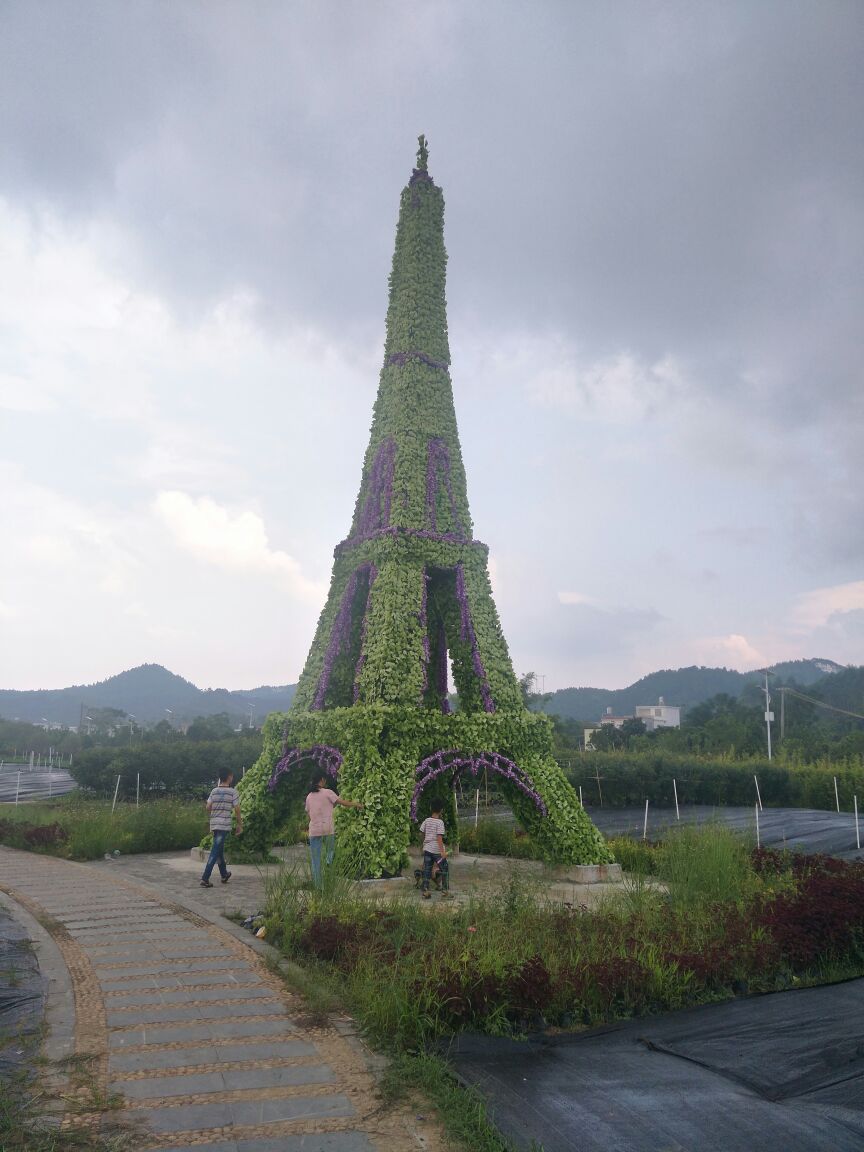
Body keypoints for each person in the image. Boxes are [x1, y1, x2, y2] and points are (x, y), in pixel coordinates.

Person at [305, 774, 363, 887]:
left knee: (315, 860)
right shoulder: (328, 792)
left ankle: (318, 887)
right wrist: (356, 804)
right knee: (330, 851)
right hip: (327, 829)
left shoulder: (309, 796)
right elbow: (343, 803)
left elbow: (309, 814)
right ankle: (328, 863)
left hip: (314, 830)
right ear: (322, 780)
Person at [200, 770, 242, 888]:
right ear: (229, 777)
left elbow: (208, 807)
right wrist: (239, 824)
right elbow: (237, 809)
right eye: (232, 776)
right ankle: (205, 878)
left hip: (214, 824)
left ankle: (224, 874)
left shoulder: (214, 791)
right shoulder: (233, 792)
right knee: (215, 851)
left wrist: (217, 808)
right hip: (224, 825)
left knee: (219, 850)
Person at [419, 802, 450, 899]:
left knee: (427, 870)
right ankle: (445, 891)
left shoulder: (426, 821)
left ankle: (426, 890)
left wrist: (424, 843)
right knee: (444, 869)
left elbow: (421, 833)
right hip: (437, 852)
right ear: (441, 810)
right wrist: (442, 852)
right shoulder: (440, 822)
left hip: (428, 850)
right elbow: (439, 838)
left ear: (430, 808)